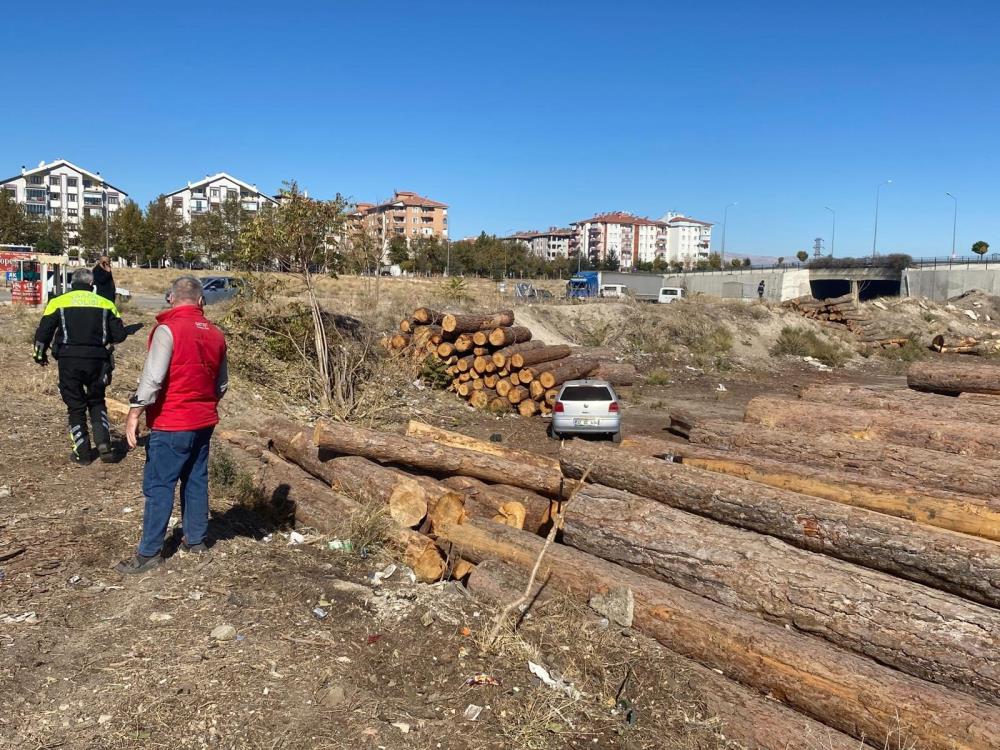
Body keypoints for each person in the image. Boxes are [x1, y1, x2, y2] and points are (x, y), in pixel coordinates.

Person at [116, 276, 228, 575]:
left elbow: (153, 378)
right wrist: (205, 403)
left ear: (170, 298)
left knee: (159, 485)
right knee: (195, 479)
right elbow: (222, 384)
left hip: (172, 420)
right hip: (203, 421)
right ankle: (196, 540)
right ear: (202, 301)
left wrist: (134, 414)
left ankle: (149, 552)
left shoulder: (167, 330)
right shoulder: (216, 334)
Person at [33, 267, 127, 464]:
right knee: (97, 400)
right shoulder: (106, 303)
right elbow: (119, 335)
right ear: (91, 285)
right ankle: (104, 445)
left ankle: (82, 453)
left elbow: (43, 333)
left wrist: (39, 356)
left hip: (69, 360)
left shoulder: (57, 302)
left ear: (72, 284)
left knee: (75, 406)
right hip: (98, 360)